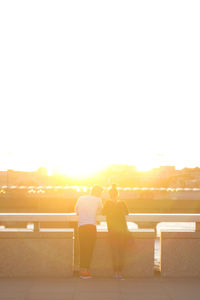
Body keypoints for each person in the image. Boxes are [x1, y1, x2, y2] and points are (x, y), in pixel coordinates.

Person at [75, 185, 103, 279]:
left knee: (82, 248)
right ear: (99, 193)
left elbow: (76, 211)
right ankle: (86, 271)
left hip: (82, 226)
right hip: (91, 226)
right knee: (89, 249)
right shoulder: (98, 200)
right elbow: (100, 211)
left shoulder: (81, 198)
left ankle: (82, 271)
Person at [102, 184, 128, 279]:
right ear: (117, 194)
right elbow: (127, 212)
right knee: (121, 251)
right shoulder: (122, 203)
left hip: (112, 230)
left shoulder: (107, 203)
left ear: (109, 194)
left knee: (114, 251)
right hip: (122, 230)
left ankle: (115, 272)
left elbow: (103, 212)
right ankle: (120, 272)